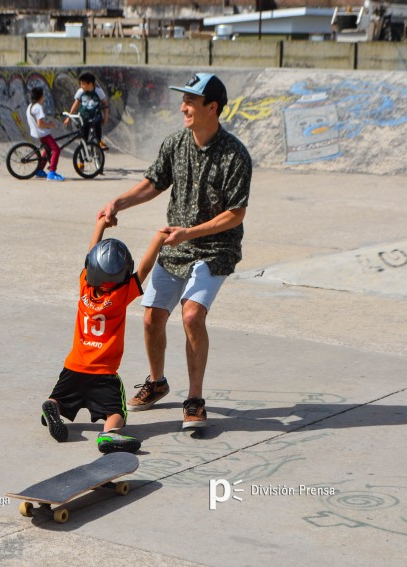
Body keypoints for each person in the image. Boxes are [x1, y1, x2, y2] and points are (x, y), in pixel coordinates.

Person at [97, 73, 252, 429]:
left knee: (192, 316)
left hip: (216, 247)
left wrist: (191, 233)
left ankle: (195, 399)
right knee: (152, 317)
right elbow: (153, 183)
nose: (183, 107)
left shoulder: (235, 155)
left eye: (191, 102)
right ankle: (157, 382)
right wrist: (117, 203)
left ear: (211, 108)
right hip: (176, 244)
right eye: (184, 100)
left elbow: (235, 213)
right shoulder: (176, 144)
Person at [41, 217, 168, 453]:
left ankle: (52, 405)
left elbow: (90, 254)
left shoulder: (84, 286)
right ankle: (108, 435)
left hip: (74, 367)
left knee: (61, 398)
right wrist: (159, 239)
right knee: (117, 412)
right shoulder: (120, 296)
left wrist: (100, 224)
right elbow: (144, 270)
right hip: (104, 373)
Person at [64, 72, 110, 151]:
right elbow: (75, 104)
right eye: (80, 84)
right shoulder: (80, 91)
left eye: (83, 84)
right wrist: (69, 117)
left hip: (95, 115)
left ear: (90, 84)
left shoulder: (98, 91)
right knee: (84, 137)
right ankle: (81, 160)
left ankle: (99, 141)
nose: (81, 86)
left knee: (97, 124)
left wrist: (106, 117)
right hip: (84, 116)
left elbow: (105, 103)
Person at [26, 86, 64, 181]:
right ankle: (52, 172)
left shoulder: (30, 106)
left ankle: (39, 170)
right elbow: (40, 124)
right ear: (41, 97)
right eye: (43, 95)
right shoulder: (38, 107)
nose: (44, 97)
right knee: (56, 149)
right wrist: (50, 125)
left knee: (47, 150)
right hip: (42, 133)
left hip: (36, 133)